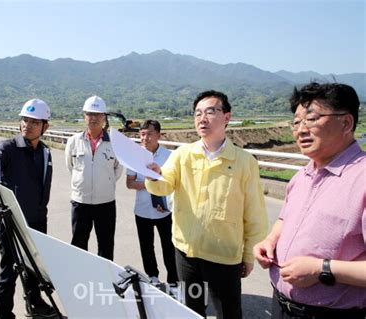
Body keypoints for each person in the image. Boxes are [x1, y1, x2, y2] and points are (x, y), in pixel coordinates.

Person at [145, 90, 268, 318]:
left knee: (228, 312)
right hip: (186, 251)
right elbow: (164, 185)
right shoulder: (183, 154)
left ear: (227, 117)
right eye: (198, 113)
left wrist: (249, 254)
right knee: (191, 310)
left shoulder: (244, 162)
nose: (202, 118)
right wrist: (154, 175)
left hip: (224, 255)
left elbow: (255, 213)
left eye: (210, 112)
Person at [253, 82, 366, 318]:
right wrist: (270, 240)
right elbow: (285, 218)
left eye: (312, 119)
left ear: (346, 122)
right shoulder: (302, 174)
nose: (301, 130)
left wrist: (321, 269)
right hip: (281, 305)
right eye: (296, 122)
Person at [0, 98, 56, 319]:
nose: (27, 125)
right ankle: (5, 314)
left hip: (38, 220)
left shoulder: (46, 152)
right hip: (12, 221)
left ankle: (35, 303)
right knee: (9, 270)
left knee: (34, 268)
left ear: (45, 126)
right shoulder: (8, 148)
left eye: (33, 122)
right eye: (24, 120)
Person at [65, 95, 123, 260]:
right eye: (90, 114)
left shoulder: (114, 143)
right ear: (85, 116)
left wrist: (104, 183)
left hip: (105, 203)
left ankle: (104, 281)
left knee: (106, 245)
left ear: (104, 117)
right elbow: (70, 166)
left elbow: (117, 171)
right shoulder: (73, 141)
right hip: (80, 202)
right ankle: (80, 279)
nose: (94, 118)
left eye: (98, 114)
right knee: (78, 244)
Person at [126, 120, 178, 286]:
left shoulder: (169, 156)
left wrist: (158, 181)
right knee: (146, 246)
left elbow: (174, 182)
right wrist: (152, 182)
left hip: (165, 210)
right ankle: (153, 276)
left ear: (158, 135)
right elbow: (130, 183)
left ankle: (173, 280)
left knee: (169, 247)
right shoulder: (134, 157)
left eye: (149, 134)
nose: (145, 138)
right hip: (142, 210)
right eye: (142, 134)